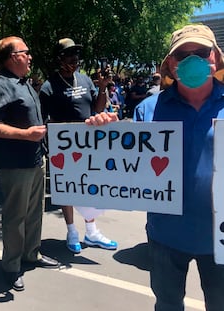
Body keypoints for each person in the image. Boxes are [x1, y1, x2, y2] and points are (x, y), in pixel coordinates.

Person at [88, 24, 224, 311]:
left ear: (216, 57)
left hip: (221, 238)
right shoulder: (148, 109)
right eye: (183, 55)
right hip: (165, 235)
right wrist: (104, 135)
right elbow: (125, 166)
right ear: (171, 64)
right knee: (168, 304)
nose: (193, 60)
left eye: (201, 52)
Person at [0, 36, 61, 292]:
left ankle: (31, 254)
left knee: (35, 211)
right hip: (14, 164)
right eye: (26, 53)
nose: (30, 57)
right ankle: (11, 266)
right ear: (13, 56)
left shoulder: (24, 84)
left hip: (36, 159)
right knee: (16, 217)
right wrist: (25, 135)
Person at [39, 38, 117, 254]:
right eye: (69, 54)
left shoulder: (84, 80)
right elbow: (42, 118)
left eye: (76, 54)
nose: (75, 58)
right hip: (63, 148)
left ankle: (91, 231)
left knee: (89, 187)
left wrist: (102, 87)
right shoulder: (48, 86)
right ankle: (71, 230)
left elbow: (96, 108)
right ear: (59, 59)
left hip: (87, 146)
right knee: (67, 189)